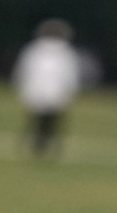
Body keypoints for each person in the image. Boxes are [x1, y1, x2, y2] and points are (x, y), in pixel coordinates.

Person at [12, 18, 81, 159]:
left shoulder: (34, 50)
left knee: (38, 122)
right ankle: (43, 147)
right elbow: (70, 75)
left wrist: (22, 88)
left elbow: (23, 71)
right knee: (49, 123)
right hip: (52, 92)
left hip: (40, 91)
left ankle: (39, 146)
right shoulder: (65, 52)